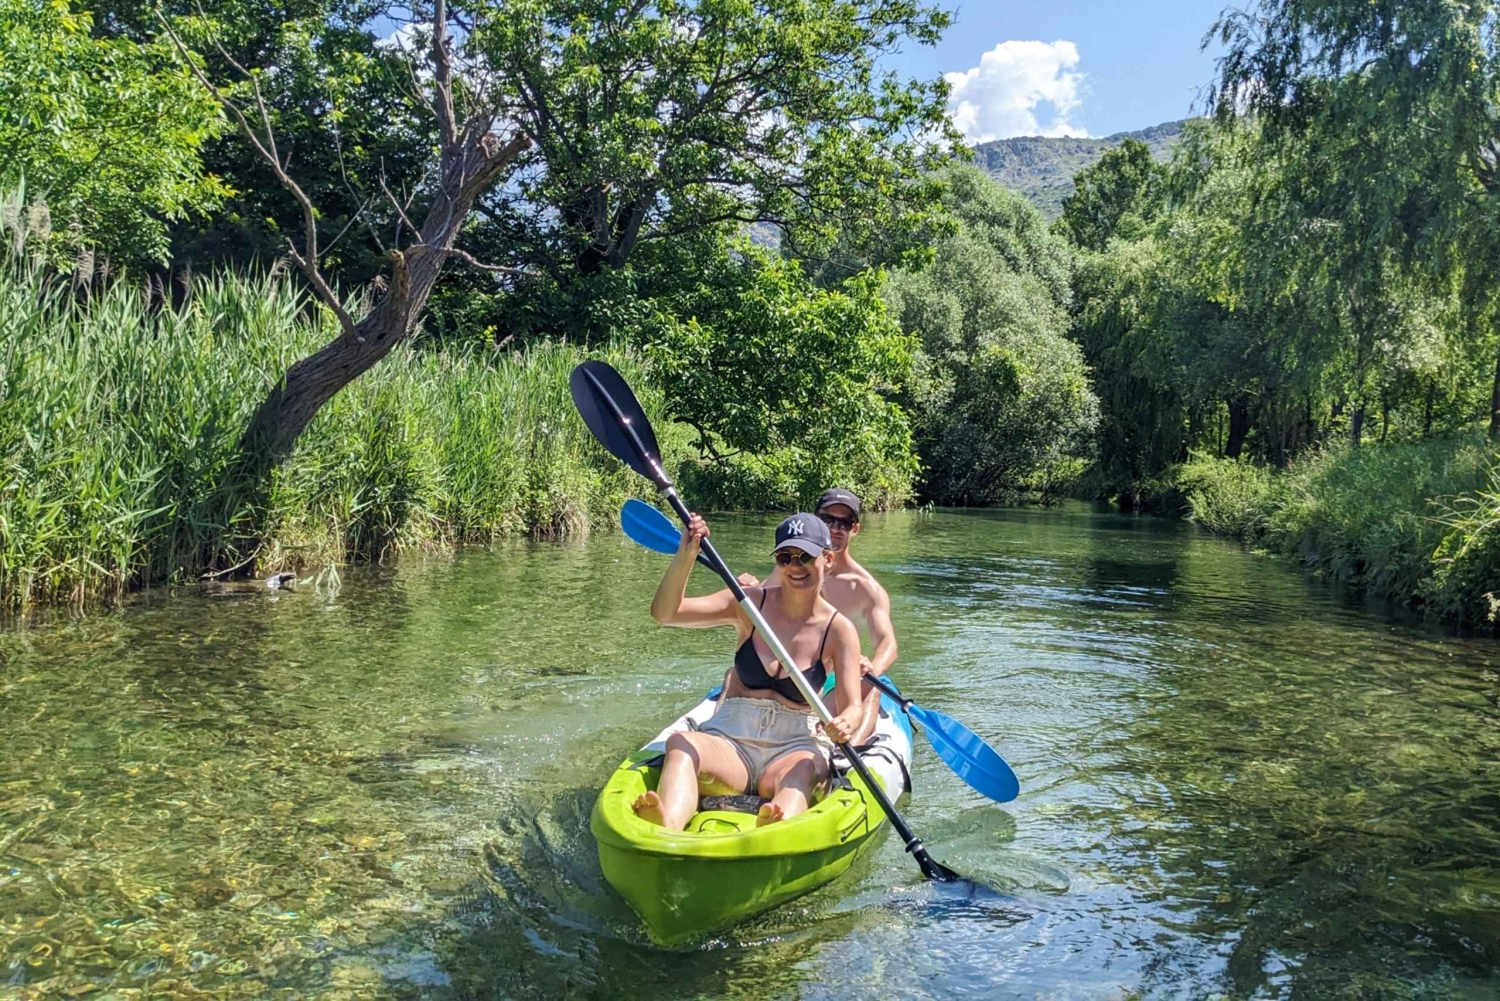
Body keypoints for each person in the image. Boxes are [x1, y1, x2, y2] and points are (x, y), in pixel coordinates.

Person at [634, 512, 866, 830]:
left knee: (805, 769)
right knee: (681, 743)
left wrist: (846, 722)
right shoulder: (749, 604)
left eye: (805, 556)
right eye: (785, 557)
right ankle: (668, 823)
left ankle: (776, 826)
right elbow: (666, 613)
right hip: (731, 739)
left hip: (793, 747)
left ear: (827, 559)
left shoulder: (839, 630)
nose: (795, 566)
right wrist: (687, 554)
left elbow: (853, 706)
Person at [740, 488, 897, 745]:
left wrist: (873, 666)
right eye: (828, 519)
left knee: (873, 685)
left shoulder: (866, 588)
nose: (835, 528)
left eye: (845, 522)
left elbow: (888, 643)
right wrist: (749, 589)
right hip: (787, 672)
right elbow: (758, 612)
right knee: (733, 674)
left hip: (831, 677)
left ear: (855, 529)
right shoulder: (790, 567)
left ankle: (850, 751)